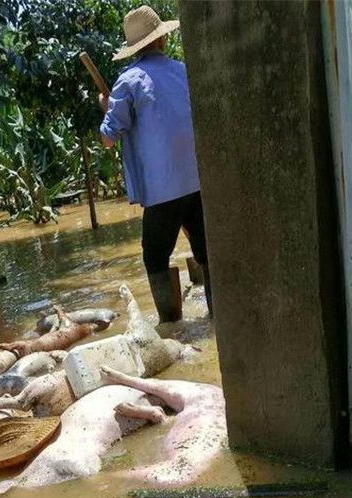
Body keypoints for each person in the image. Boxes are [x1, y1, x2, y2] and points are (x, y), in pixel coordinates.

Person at [99, 5, 212, 321]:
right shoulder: (183, 70)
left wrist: (106, 109)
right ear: (161, 40)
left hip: (163, 190)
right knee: (207, 253)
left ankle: (172, 325)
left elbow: (109, 136)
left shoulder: (128, 82)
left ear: (135, 48)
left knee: (155, 258)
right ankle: (220, 316)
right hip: (198, 182)